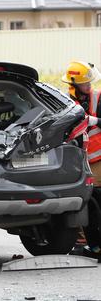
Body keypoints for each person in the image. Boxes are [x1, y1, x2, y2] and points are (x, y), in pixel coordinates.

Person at [62, 61, 101, 259]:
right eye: (85, 84)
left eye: (89, 83)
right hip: (77, 160)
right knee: (83, 200)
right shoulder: (65, 101)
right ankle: (84, 243)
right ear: (74, 84)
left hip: (97, 159)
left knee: (94, 200)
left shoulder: (97, 97)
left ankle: (93, 244)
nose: (89, 86)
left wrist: (94, 121)